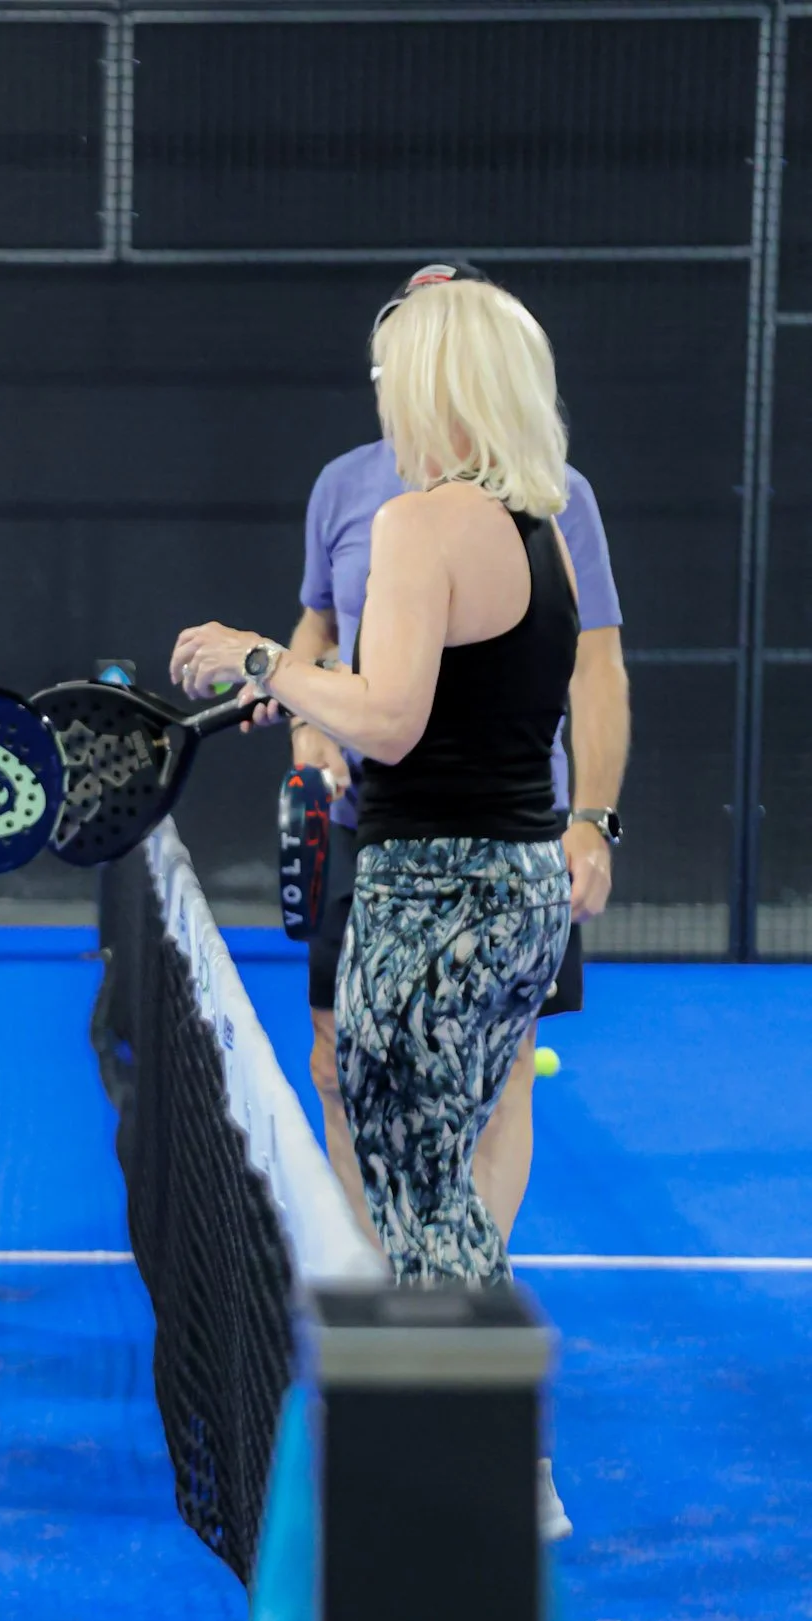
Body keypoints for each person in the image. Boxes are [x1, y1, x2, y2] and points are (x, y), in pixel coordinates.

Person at [172, 276, 579, 1292]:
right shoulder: (542, 524)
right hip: (525, 893)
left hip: (430, 900)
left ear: (429, 380)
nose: (381, 391)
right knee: (442, 1189)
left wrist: (263, 658)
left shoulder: (416, 521)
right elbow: (439, 699)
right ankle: (481, 1436)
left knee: (415, 1203)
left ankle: (477, 1442)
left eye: (388, 370)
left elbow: (391, 722)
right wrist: (313, 691)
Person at [290, 261, 629, 1248]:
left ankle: (437, 1325)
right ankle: (410, 1302)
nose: (384, 378)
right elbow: (330, 646)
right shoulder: (360, 492)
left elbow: (396, 711)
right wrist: (309, 712)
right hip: (418, 851)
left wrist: (591, 819)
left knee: (458, 1128)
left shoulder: (525, 508)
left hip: (451, 871)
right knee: (374, 1105)